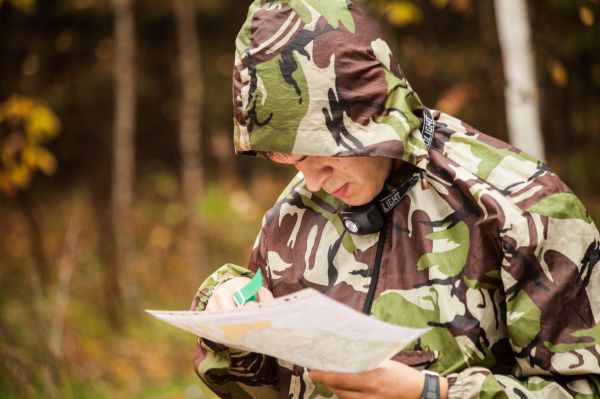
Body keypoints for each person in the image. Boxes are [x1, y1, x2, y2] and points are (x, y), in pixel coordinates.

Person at [189, 1, 600, 398]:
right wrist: (230, 322)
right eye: (292, 163)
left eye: (319, 154)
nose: (311, 182)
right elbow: (270, 388)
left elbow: (581, 389)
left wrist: (432, 393)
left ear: (367, 113)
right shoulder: (293, 217)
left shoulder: (521, 209)